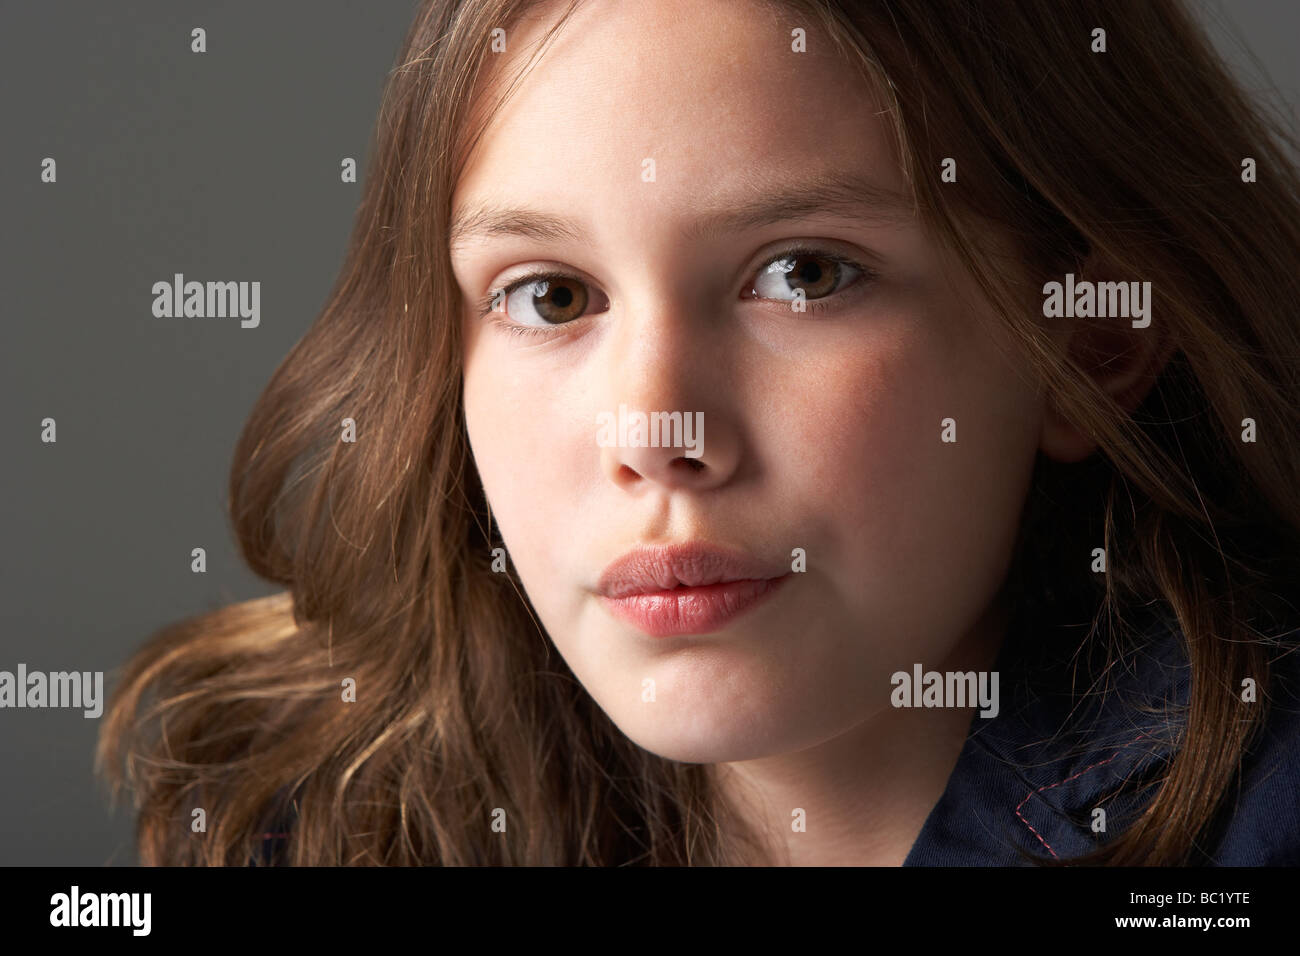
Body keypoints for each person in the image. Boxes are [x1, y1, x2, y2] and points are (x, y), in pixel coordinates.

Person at [99, 0, 1300, 866]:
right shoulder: (320, 819)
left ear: (1085, 342)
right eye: (551, 295)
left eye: (804, 272)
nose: (654, 430)